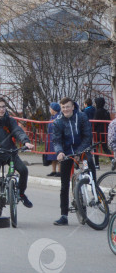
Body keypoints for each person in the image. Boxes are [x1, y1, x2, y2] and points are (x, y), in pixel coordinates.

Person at [0, 98, 35, 208]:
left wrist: (26, 142)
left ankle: (21, 193)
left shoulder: (10, 121)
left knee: (23, 170)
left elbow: (18, 131)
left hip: (10, 152)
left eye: (3, 107)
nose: (2, 109)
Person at [51, 97, 94, 226]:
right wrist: (59, 152)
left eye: (68, 106)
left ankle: (96, 194)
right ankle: (64, 215)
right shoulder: (57, 122)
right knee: (64, 184)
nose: (65, 109)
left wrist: (80, 152)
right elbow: (57, 141)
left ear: (73, 106)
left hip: (82, 151)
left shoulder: (81, 117)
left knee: (90, 167)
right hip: (67, 153)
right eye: (63, 107)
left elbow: (88, 136)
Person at [43, 102, 61, 176]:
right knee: (52, 156)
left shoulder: (59, 117)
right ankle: (53, 171)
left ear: (54, 109)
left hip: (56, 138)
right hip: (50, 139)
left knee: (58, 155)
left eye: (50, 108)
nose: (49, 110)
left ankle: (59, 171)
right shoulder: (52, 117)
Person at [92, 97, 110, 167]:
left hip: (97, 133)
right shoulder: (106, 111)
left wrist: (92, 129)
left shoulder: (98, 111)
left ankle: (97, 164)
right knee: (105, 148)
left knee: (95, 148)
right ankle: (112, 159)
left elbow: (95, 122)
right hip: (105, 132)